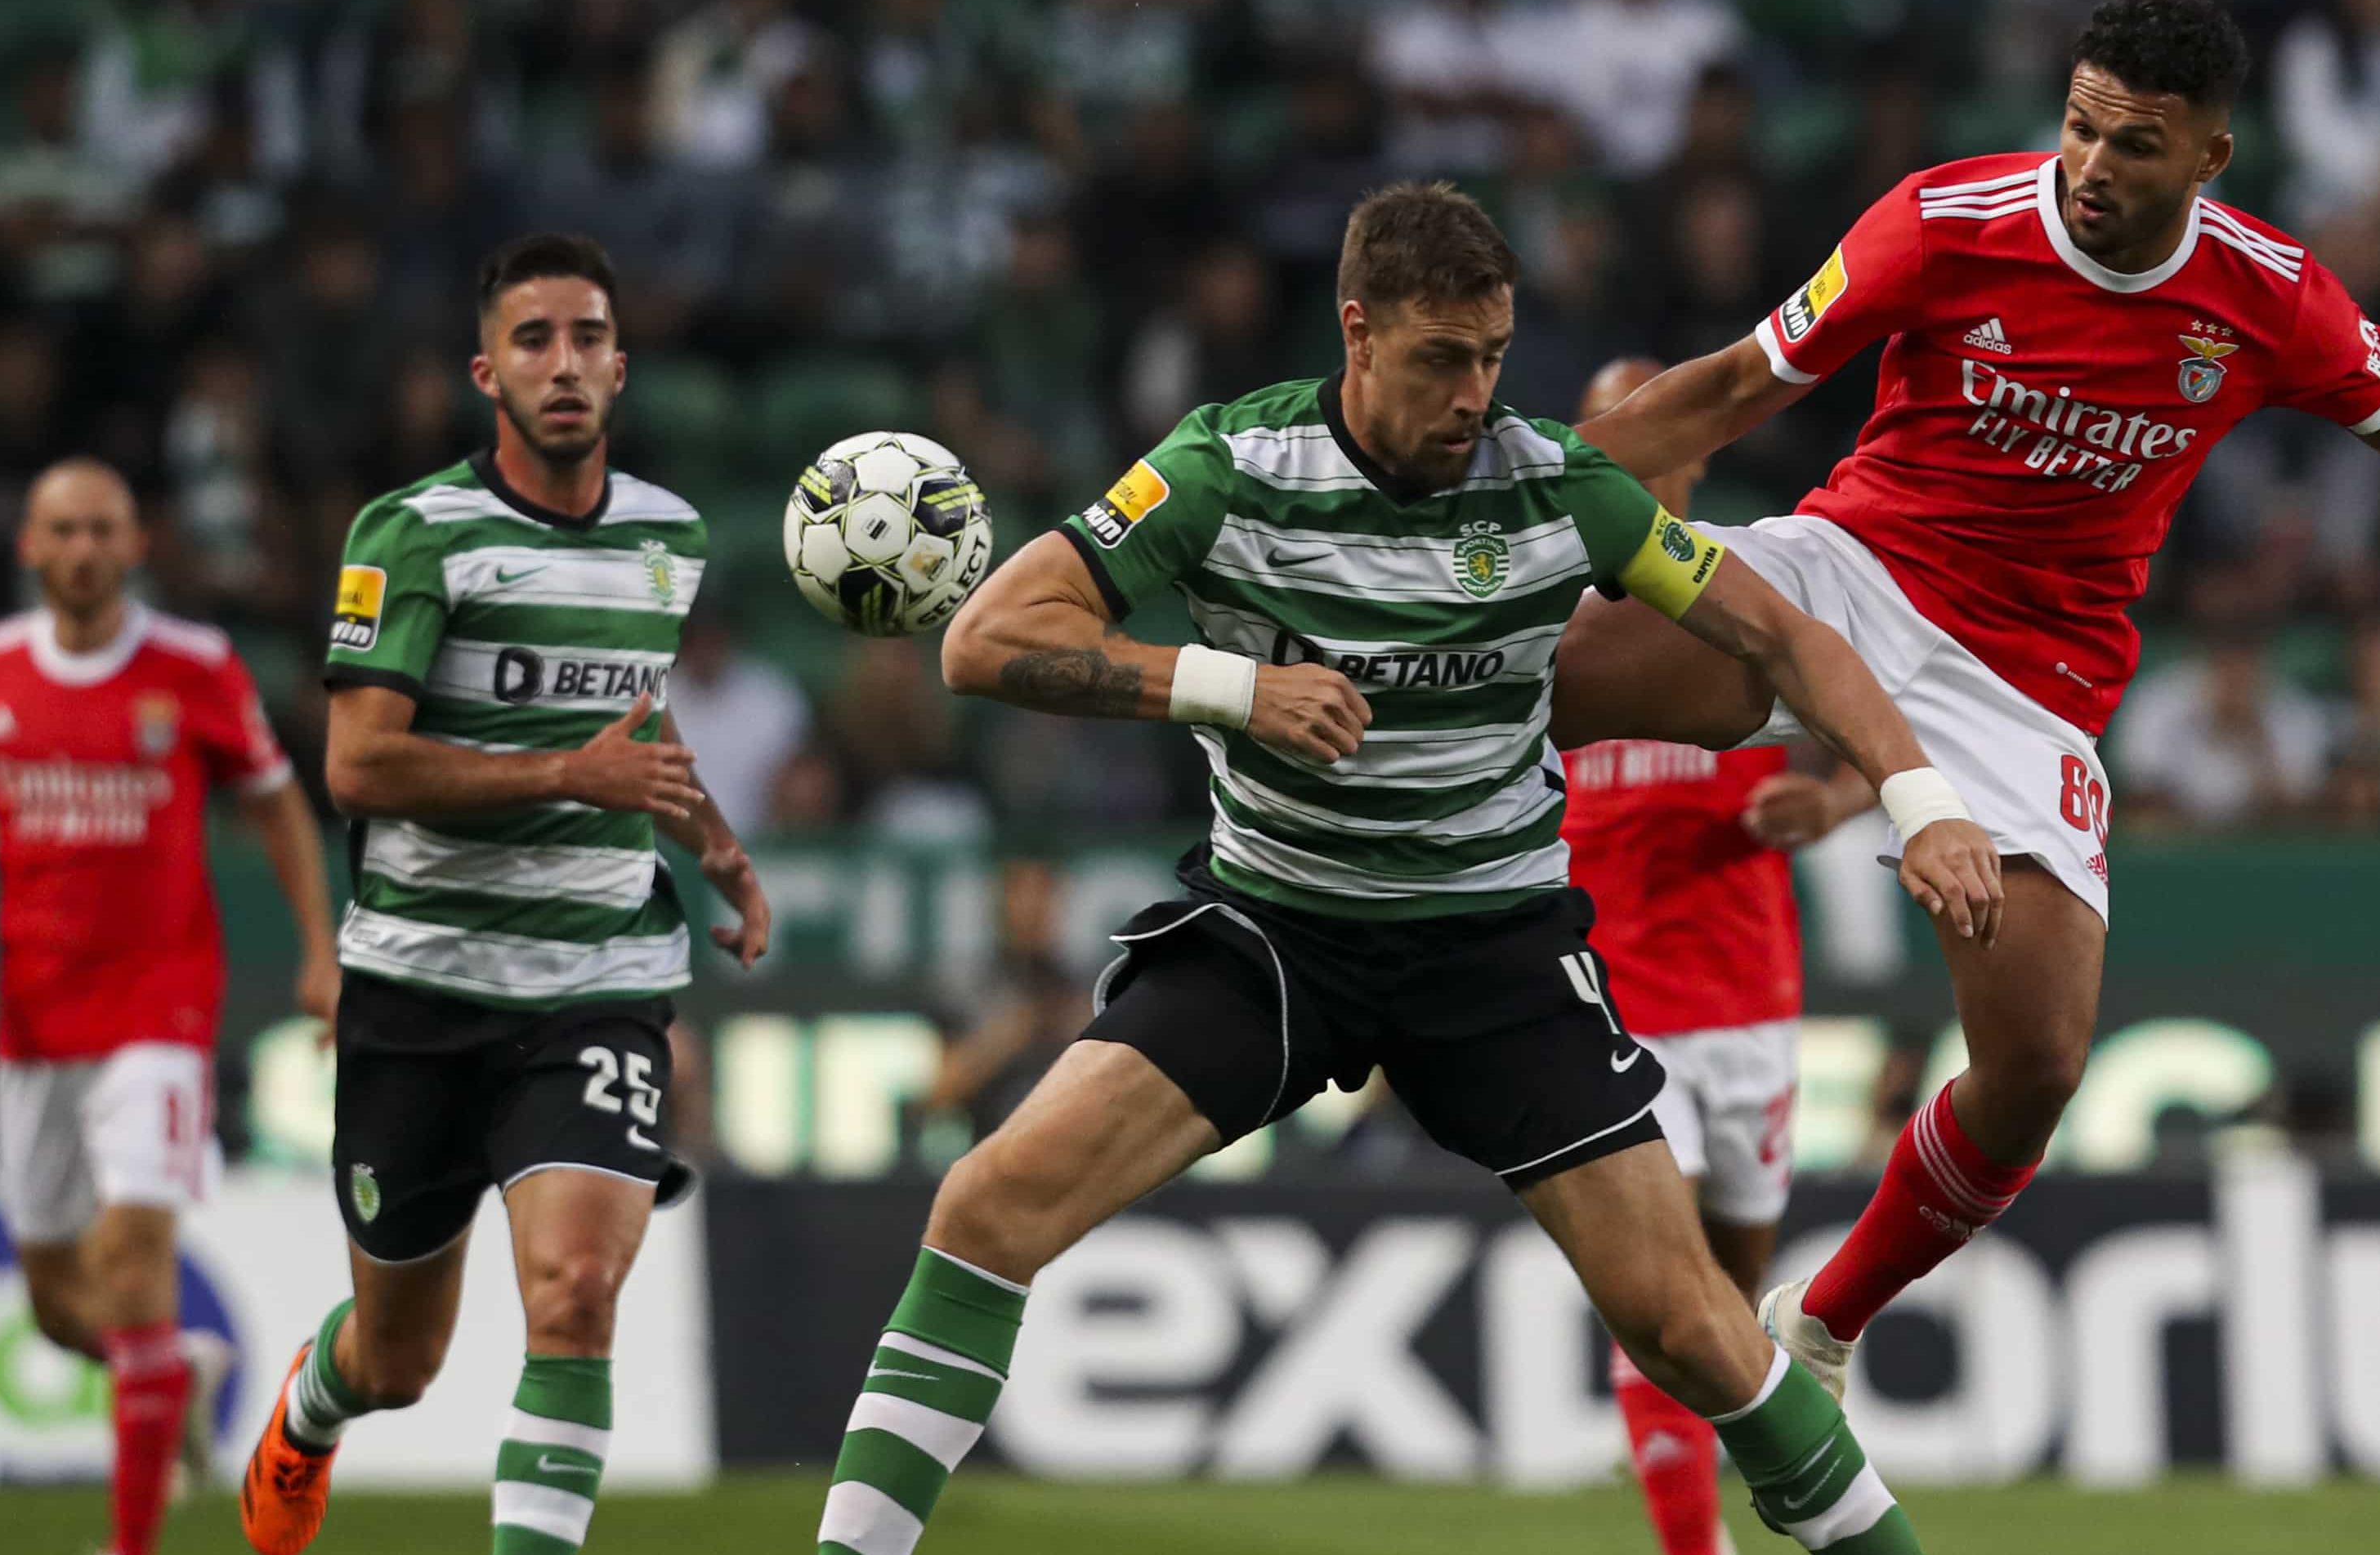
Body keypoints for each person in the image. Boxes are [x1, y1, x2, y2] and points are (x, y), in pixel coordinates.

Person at [1559, 0, 2380, 1396]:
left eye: (2134, 145)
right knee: (1546, 677)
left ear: (2210, 157)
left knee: (2037, 1071)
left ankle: (1820, 1325)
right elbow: (1725, 392)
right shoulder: (1943, 223)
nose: (2090, 168)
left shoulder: (2264, 295)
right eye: (2078, 128)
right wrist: (1500, 491)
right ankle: (1313, 861)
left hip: (2026, 687)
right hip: (1851, 571)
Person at [812, 185, 1999, 1555]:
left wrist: (1921, 800)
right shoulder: (1226, 467)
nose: (1473, 396)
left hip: (1491, 944)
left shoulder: (1557, 483)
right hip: (1278, 935)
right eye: (1442, 358)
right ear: (1356, 329)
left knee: (1694, 1328)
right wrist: (1232, 690)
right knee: (986, 1206)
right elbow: (987, 639)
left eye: (1494, 356)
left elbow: (1788, 642)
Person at [239, 235, 775, 1555]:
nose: (565, 363)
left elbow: (631, 720)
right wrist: (572, 772)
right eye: (535, 340)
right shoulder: (415, 534)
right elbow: (356, 764)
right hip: (419, 989)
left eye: (588, 337)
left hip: (596, 980)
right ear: (488, 372)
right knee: (397, 1358)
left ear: (621, 366)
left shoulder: (670, 536)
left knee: (578, 1290)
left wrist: (713, 839)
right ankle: (312, 1409)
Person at [0, 458, 339, 1555]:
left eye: (105, 528)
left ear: (138, 543)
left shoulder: (193, 665)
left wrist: (317, 948)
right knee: (62, 1303)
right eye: (65, 530)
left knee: (137, 1248)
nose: (86, 549)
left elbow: (278, 804)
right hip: (34, 1019)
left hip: (159, 1006)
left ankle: (132, 1542)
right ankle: (171, 1371)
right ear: (30, 545)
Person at [1559, 356, 1874, 1555]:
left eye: (1647, 426)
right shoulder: (1542, 599)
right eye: (1607, 426)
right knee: (1667, 1290)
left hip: (1749, 1000)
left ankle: (1707, 1451)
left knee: (1732, 1297)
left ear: (1691, 453)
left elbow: (1882, 713)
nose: (1626, 442)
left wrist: (1834, 809)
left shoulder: (1745, 592)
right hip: (1614, 999)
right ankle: (1692, 1540)